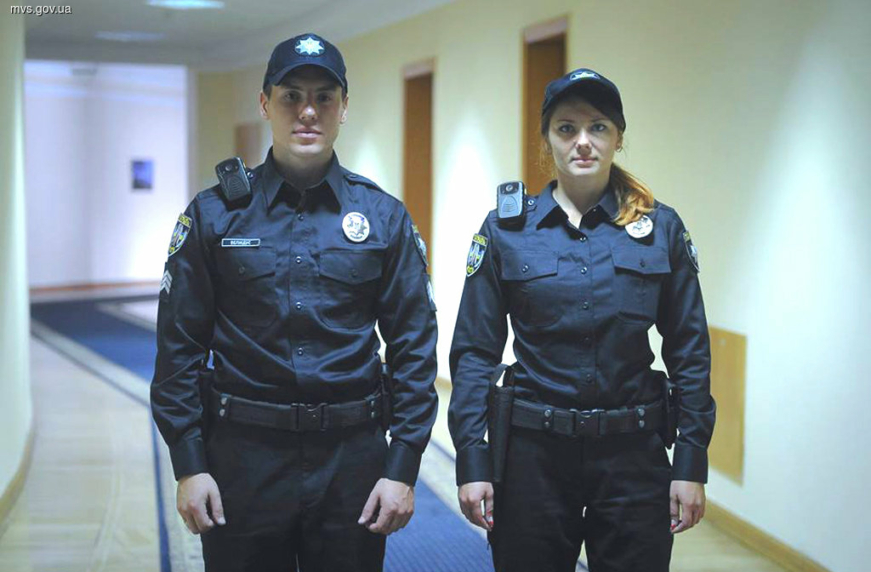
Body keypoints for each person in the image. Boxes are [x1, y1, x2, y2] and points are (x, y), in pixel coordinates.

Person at [151, 33, 438, 572]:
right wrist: (189, 464)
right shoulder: (215, 215)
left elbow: (414, 348)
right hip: (243, 458)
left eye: (324, 97)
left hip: (352, 461)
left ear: (344, 107)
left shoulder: (383, 217)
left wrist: (402, 465)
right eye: (291, 96)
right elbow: (178, 349)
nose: (308, 111)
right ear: (265, 104)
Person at [448, 68, 716, 572]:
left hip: (633, 455)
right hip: (533, 458)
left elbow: (689, 349)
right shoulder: (507, 230)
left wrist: (690, 459)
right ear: (547, 139)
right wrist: (472, 456)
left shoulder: (661, 229)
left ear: (618, 137)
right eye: (567, 128)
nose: (583, 142)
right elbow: (474, 352)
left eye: (598, 127)